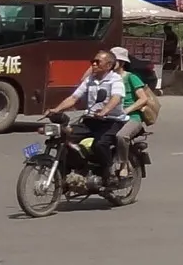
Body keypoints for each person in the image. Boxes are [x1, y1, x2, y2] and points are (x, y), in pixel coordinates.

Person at [49, 49, 129, 179]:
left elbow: (116, 97)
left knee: (100, 144)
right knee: (65, 136)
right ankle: (77, 167)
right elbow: (74, 98)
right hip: (91, 120)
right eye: (93, 61)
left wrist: (105, 111)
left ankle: (107, 171)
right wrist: (56, 109)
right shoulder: (90, 79)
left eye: (98, 62)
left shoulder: (115, 79)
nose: (94, 64)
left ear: (108, 65)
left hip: (112, 121)